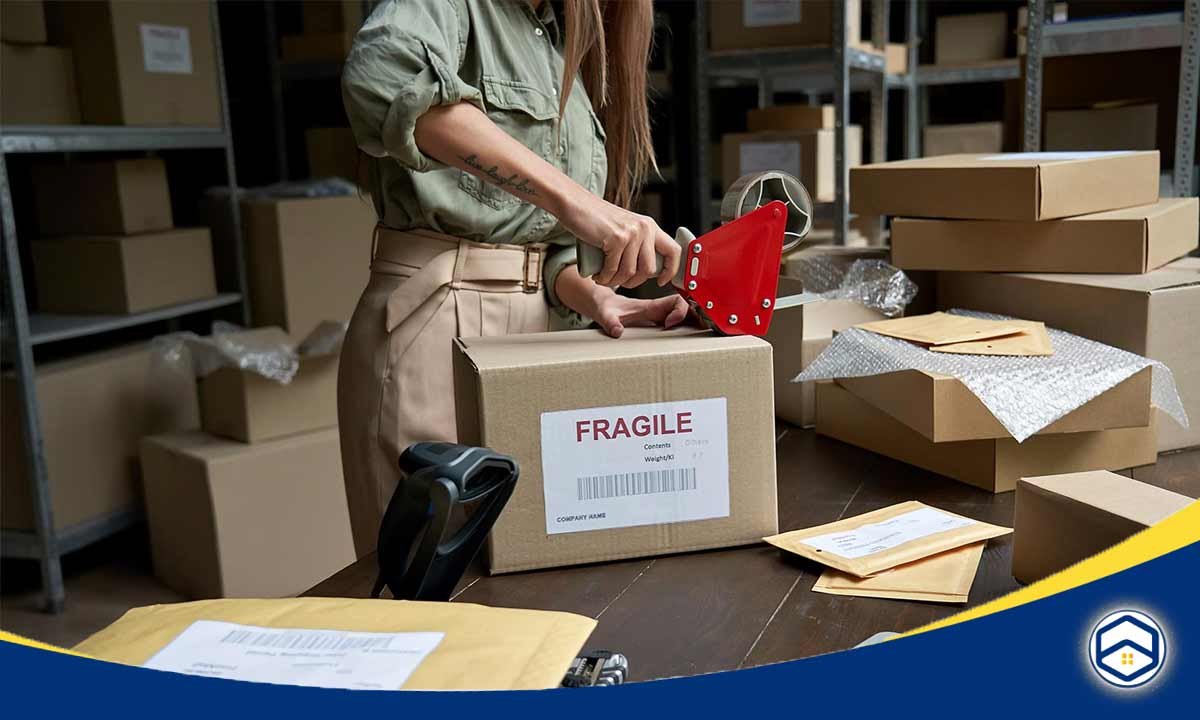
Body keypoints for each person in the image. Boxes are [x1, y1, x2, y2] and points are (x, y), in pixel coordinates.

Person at [338, 0, 687, 554]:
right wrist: (577, 202)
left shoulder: (551, 46)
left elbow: (529, 239)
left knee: (534, 559)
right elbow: (381, 78)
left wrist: (592, 295)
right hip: (443, 316)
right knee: (441, 578)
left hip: (540, 331)